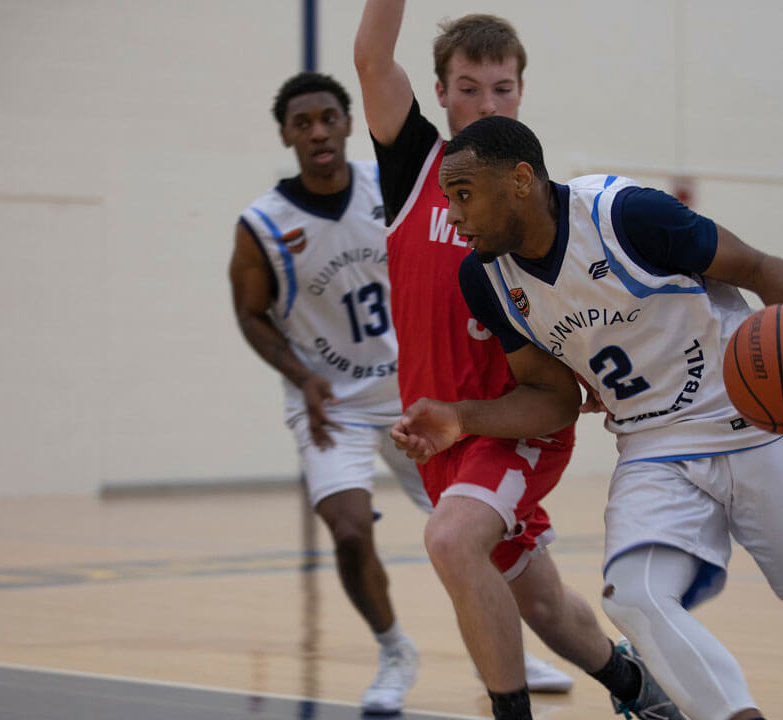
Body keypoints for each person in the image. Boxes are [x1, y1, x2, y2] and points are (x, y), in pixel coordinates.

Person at [391, 115, 783, 720]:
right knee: (632, 598)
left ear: (520, 181)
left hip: (751, 414)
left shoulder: (625, 215)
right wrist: (461, 417)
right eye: (448, 198)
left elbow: (759, 268)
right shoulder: (486, 278)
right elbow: (552, 398)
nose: (454, 214)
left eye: (464, 194)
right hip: (653, 442)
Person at [354, 5, 683, 720]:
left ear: (521, 94)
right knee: (538, 601)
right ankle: (641, 691)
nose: (485, 104)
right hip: (440, 433)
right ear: (438, 94)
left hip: (513, 422)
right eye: (468, 87)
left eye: (501, 88)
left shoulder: (524, 196)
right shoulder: (417, 168)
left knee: (449, 539)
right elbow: (373, 61)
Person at [228, 71, 574, 714]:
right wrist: (303, 379)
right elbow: (250, 313)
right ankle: (393, 651)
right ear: (286, 134)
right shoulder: (263, 225)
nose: (319, 131)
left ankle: (511, 647)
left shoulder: (394, 184)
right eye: (302, 123)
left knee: (481, 531)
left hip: (413, 393)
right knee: (350, 529)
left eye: (329, 117)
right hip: (327, 398)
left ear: (347, 121)